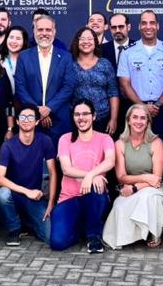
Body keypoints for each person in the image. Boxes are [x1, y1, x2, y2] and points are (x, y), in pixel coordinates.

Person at [49, 101, 115, 253]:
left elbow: (110, 161)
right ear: (73, 117)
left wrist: (91, 176)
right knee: (57, 243)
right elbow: (66, 169)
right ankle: (84, 228)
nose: (81, 118)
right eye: (77, 114)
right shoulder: (65, 139)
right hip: (69, 198)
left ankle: (94, 237)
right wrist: (92, 175)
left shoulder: (105, 139)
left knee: (95, 187)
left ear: (94, 116)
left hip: (94, 197)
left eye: (85, 114)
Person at [104, 104, 163, 249]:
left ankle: (153, 232)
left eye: (143, 118)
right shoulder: (119, 144)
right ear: (128, 120)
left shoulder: (156, 142)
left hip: (155, 188)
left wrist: (136, 187)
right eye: (135, 117)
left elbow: (157, 178)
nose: (139, 121)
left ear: (148, 122)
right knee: (119, 206)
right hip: (130, 186)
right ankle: (126, 237)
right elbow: (121, 177)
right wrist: (145, 178)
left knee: (147, 197)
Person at [0, 104, 58, 245]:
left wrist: (51, 203)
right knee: (2, 193)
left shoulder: (45, 141)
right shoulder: (8, 145)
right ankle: (14, 229)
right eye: (22, 117)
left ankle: (28, 222)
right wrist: (27, 191)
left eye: (30, 117)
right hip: (15, 195)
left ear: (37, 121)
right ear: (17, 121)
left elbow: (53, 172)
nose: (26, 120)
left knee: (49, 237)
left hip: (35, 198)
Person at [15, 14, 78, 139]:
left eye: (48, 30)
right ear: (34, 31)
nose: (44, 33)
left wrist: (49, 108)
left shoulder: (65, 57)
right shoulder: (24, 56)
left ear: (54, 32)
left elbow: (68, 87)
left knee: (59, 158)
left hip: (59, 120)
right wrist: (37, 110)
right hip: (31, 121)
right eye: (40, 29)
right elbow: (20, 87)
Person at [117, 10, 163, 140]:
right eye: (144, 23)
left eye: (152, 23)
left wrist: (158, 104)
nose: (148, 26)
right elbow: (125, 84)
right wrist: (142, 107)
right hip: (135, 110)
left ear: (158, 26)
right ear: (139, 26)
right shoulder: (127, 53)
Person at [71, 25, 119, 136]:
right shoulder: (69, 63)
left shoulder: (105, 64)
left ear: (95, 42)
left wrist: (114, 119)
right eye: (82, 39)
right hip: (77, 119)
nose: (86, 42)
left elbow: (113, 92)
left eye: (89, 39)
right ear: (77, 42)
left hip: (102, 119)